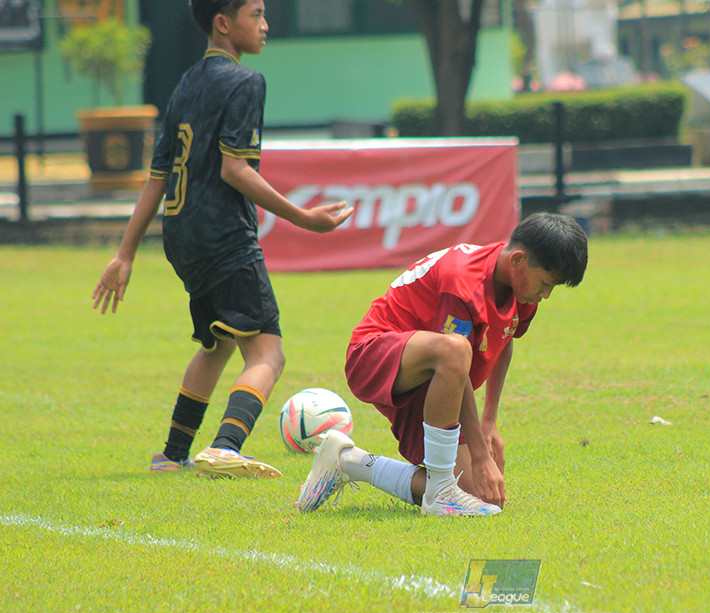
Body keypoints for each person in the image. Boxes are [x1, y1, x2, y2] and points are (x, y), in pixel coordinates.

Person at [92, 0, 353, 479]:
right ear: (223, 23)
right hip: (223, 235)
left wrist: (124, 253)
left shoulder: (185, 84)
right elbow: (235, 170)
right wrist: (304, 218)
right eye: (257, 14)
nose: (266, 25)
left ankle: (172, 455)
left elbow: (157, 176)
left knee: (219, 343)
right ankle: (225, 446)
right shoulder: (246, 81)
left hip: (181, 235)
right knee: (268, 352)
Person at [295, 212, 588, 516]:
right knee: (455, 350)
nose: (546, 294)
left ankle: (349, 462)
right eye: (545, 283)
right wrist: (479, 454)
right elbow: (453, 356)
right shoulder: (462, 279)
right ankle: (440, 491)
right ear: (518, 260)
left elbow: (506, 336)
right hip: (373, 355)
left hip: (431, 380)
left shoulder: (521, 287)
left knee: (478, 495)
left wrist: (489, 420)